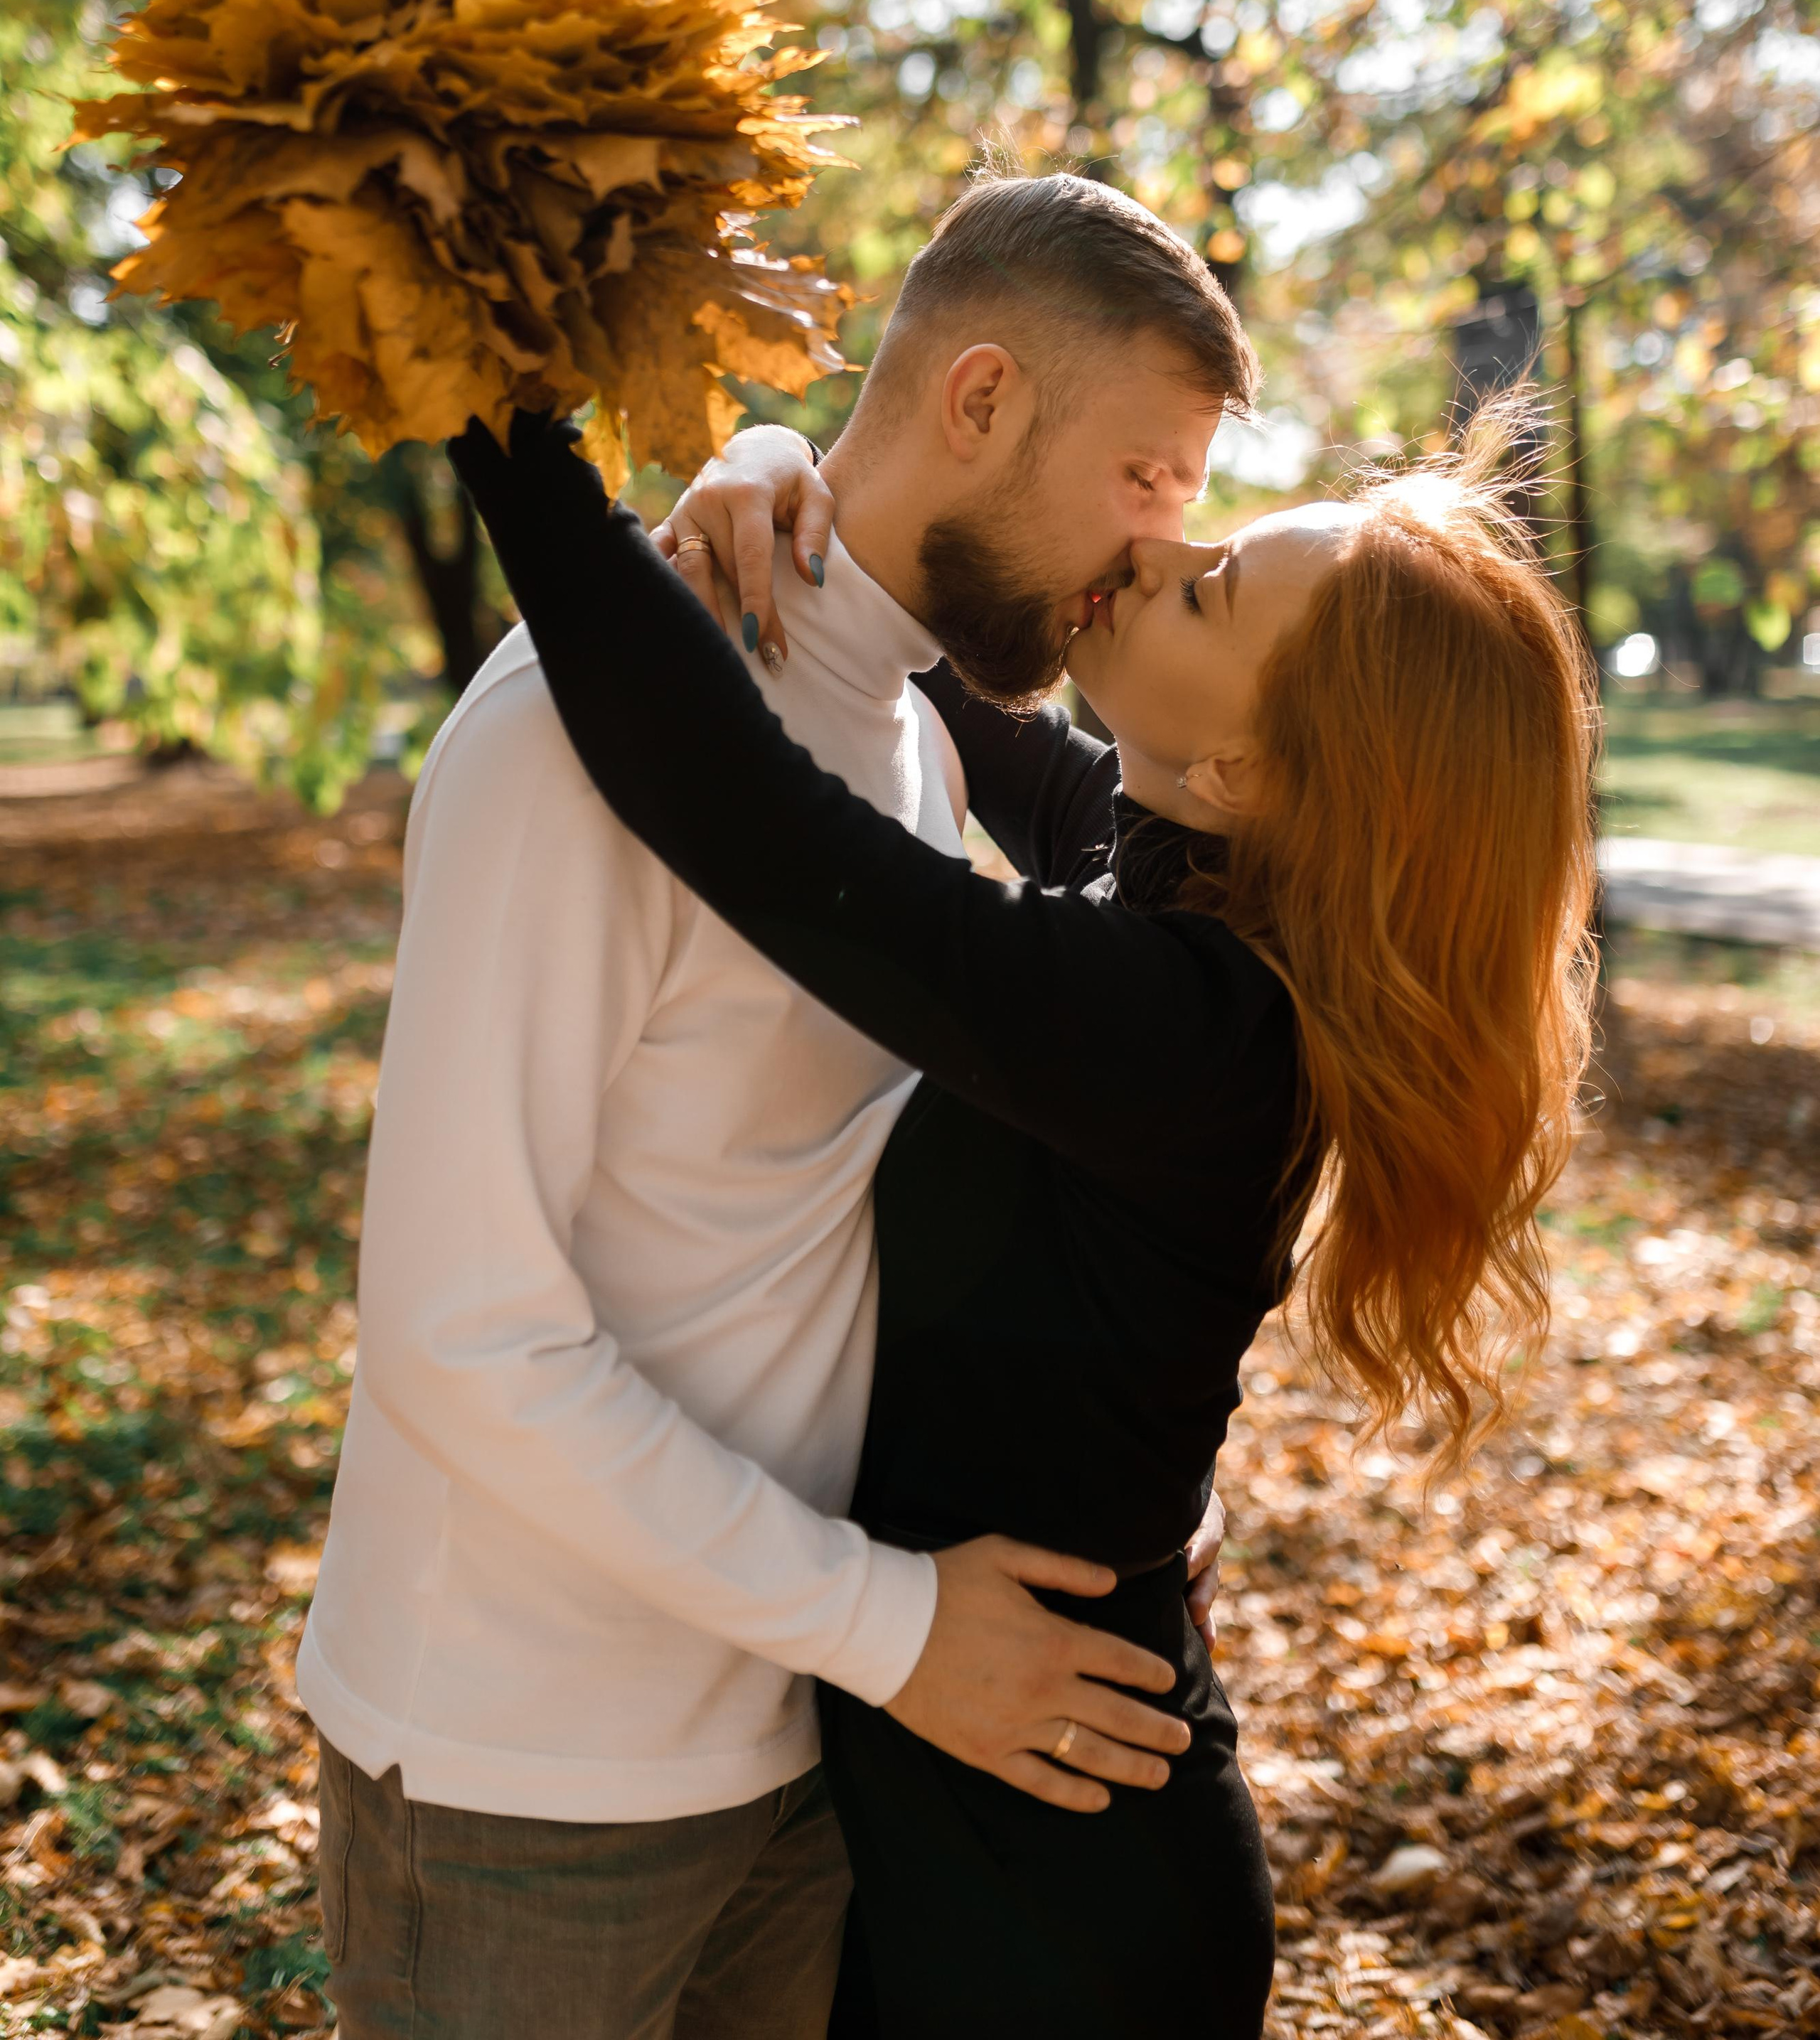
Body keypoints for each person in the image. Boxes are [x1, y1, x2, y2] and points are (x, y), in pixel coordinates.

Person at [449, 388, 1598, 2040]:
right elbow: (909, 639)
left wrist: (503, 415)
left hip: (1061, 1891)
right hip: (987, 1772)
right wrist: (776, 467)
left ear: (1250, 764)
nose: (1153, 551)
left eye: (1204, 589)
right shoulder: (1181, 870)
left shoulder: (1190, 1026)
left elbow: (750, 821)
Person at [301, 173, 1254, 2039]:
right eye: (1148, 480)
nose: (1155, 550)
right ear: (979, 400)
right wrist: (892, 1633)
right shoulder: (590, 727)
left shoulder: (899, 727)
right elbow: (457, 1329)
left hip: (809, 1747)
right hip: (531, 1776)